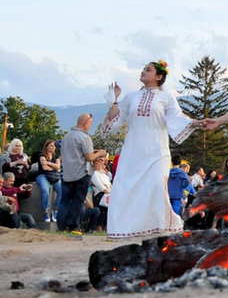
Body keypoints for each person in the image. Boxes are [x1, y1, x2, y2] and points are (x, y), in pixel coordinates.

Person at [100, 61, 198, 239]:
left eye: (148, 69)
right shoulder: (131, 97)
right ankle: (126, 227)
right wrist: (113, 100)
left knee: (156, 185)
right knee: (124, 186)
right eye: (144, 68)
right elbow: (116, 122)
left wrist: (195, 123)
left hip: (157, 147)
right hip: (133, 147)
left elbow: (177, 119)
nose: (143, 71)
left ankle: (158, 227)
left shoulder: (166, 98)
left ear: (159, 76)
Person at [58, 114, 108, 233]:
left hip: (67, 173)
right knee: (78, 201)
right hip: (81, 173)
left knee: (65, 201)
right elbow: (90, 157)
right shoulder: (84, 137)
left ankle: (62, 226)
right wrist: (101, 152)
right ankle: (73, 226)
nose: (90, 126)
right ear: (85, 123)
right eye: (90, 124)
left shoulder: (66, 137)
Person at [32, 139, 61, 225]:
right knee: (45, 190)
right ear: (47, 147)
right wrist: (54, 167)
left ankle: (56, 210)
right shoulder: (42, 155)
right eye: (51, 145)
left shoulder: (56, 156)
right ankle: (45, 211)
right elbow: (44, 168)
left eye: (54, 146)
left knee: (61, 190)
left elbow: (58, 166)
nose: (53, 147)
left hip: (53, 176)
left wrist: (48, 163)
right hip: (43, 175)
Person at [88, 156, 112, 230]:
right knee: (101, 212)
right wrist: (106, 190)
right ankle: (99, 228)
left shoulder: (104, 175)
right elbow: (99, 185)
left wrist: (110, 190)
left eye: (99, 164)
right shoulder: (94, 174)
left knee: (107, 212)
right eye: (96, 164)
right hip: (100, 194)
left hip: (108, 194)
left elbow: (109, 184)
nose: (98, 166)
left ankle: (106, 226)